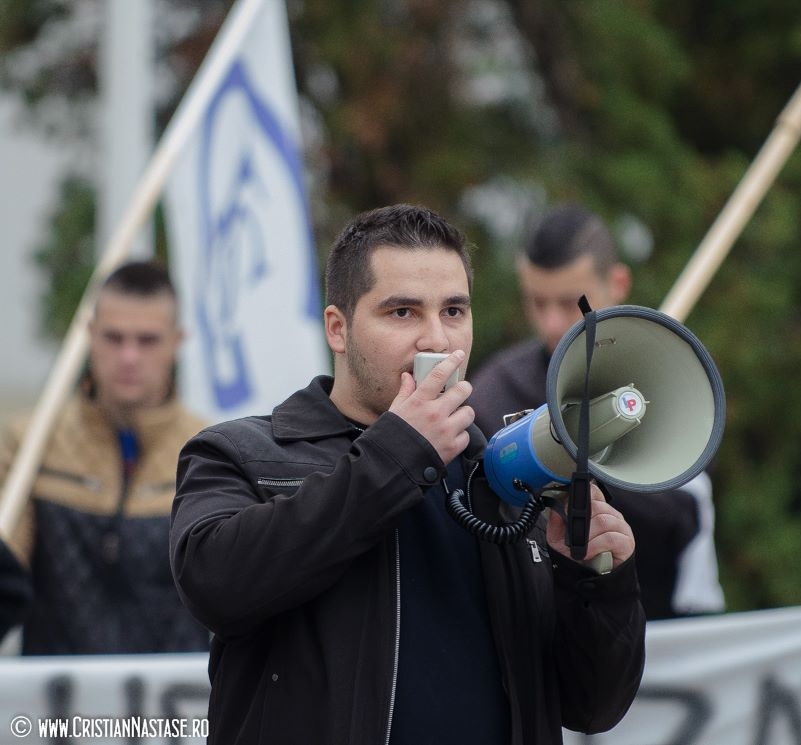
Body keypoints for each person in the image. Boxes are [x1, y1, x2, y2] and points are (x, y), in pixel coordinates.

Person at [170, 204, 646, 745]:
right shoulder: (242, 453)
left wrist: (598, 585)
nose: (437, 341)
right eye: (402, 313)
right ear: (338, 328)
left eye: (454, 311)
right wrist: (397, 454)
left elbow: (592, 706)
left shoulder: (508, 483)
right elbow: (214, 585)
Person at [468, 203, 726, 620]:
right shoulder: (494, 396)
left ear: (618, 282)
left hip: (659, 634)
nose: (552, 325)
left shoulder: (670, 380)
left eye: (570, 303)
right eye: (537, 302)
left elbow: (681, 522)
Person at [0, 260, 210, 654]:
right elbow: (8, 569)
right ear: (89, 336)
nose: (129, 357)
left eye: (147, 340)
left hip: (176, 709)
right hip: (57, 709)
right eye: (114, 338)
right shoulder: (31, 444)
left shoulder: (210, 450)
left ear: (177, 342)